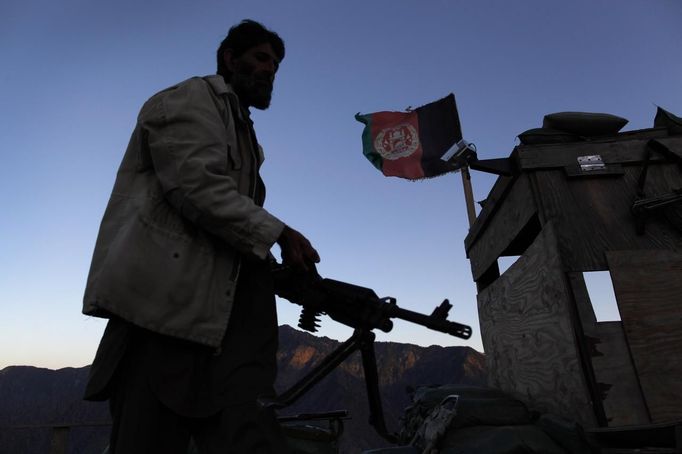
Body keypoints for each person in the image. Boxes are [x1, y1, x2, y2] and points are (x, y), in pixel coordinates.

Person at [82, 19, 319, 454]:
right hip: (161, 320)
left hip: (209, 332)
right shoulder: (192, 100)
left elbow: (229, 228)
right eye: (262, 58)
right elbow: (197, 188)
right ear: (230, 59)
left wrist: (275, 271)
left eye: (277, 64)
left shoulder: (244, 132)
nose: (271, 70)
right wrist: (279, 233)